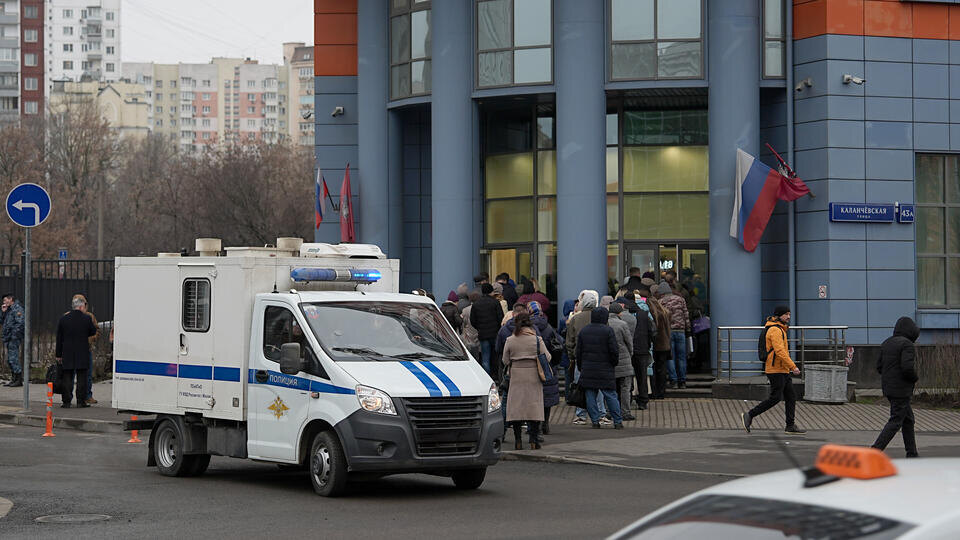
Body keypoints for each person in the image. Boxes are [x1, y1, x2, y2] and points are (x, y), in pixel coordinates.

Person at [741, 306, 806, 435]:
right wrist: (793, 366)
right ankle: (749, 414)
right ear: (778, 316)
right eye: (786, 314)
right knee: (775, 398)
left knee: (791, 396)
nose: (788, 317)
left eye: (789, 314)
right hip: (776, 369)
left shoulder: (780, 329)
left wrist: (788, 367)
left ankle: (790, 425)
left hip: (782, 369)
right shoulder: (775, 330)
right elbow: (780, 351)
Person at [872, 317, 920, 458]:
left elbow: (879, 366)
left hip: (889, 388)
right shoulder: (907, 345)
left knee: (908, 419)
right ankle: (874, 451)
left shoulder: (887, 343)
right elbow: (907, 368)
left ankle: (912, 453)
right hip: (901, 389)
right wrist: (914, 378)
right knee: (895, 421)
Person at [501, 312, 549, 450]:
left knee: (517, 410)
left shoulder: (511, 340)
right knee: (533, 409)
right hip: (534, 376)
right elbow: (547, 357)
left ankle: (518, 441)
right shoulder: (537, 340)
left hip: (516, 376)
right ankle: (534, 441)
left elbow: (505, 360)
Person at [576, 307, 623, 429]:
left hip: (588, 368)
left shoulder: (584, 331)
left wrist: (581, 366)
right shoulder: (608, 331)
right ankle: (617, 421)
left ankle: (595, 421)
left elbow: (578, 352)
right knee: (610, 394)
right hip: (605, 368)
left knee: (590, 395)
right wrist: (614, 363)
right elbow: (614, 350)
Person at [56, 295, 98, 408]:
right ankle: (80, 401)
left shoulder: (64, 318)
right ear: (80, 307)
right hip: (82, 351)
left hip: (67, 351)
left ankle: (66, 401)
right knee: (82, 377)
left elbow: (59, 338)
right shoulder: (86, 318)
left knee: (67, 376)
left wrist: (58, 354)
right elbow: (93, 331)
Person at [529, 301, 560, 436]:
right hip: (547, 365)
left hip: (531, 366)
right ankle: (545, 423)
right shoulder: (548, 327)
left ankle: (535, 425)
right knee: (547, 397)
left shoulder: (527, 327)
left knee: (533, 398)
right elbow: (558, 344)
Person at [657, 281, 690, 389]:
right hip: (680, 331)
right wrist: (688, 328)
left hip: (668, 332)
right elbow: (686, 315)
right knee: (681, 357)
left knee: (670, 357)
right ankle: (682, 381)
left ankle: (673, 380)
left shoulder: (660, 302)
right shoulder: (680, 300)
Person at [608, 303, 635, 421]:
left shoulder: (605, 324)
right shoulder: (623, 324)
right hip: (624, 360)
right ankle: (625, 412)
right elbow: (629, 342)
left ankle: (610, 411)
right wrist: (630, 354)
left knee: (611, 388)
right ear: (619, 313)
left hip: (610, 361)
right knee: (625, 388)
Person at [630, 289, 656, 410]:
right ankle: (643, 400)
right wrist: (649, 343)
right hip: (642, 348)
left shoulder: (625, 315)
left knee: (627, 376)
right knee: (642, 375)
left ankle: (628, 398)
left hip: (628, 349)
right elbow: (653, 330)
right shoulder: (644, 314)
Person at [470, 283, 504, 375]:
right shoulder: (495, 302)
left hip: (483, 334)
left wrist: (479, 327)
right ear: (491, 291)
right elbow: (501, 317)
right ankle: (496, 376)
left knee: (485, 358)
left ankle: (487, 377)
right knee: (496, 356)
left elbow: (472, 320)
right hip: (495, 333)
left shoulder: (476, 304)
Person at [647, 288, 672, 400]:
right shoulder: (665, 312)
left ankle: (654, 391)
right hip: (664, 344)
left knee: (653, 368)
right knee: (662, 368)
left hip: (655, 344)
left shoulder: (652, 314)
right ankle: (661, 391)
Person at [1, 293, 25, 387]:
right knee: (10, 359)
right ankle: (14, 378)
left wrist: (13, 336)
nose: (4, 302)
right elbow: (2, 322)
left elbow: (20, 323)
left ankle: (18, 379)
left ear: (11, 299)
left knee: (13, 358)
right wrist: (3, 312)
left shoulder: (17, 309)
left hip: (13, 338)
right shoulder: (8, 310)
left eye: (5, 300)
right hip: (8, 338)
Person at [80, 297, 101, 404]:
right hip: (73, 350)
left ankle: (88, 395)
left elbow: (97, 330)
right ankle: (68, 397)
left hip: (86, 349)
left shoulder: (90, 317)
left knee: (87, 374)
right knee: (72, 374)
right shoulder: (68, 315)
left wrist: (91, 339)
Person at [460, 291, 481, 361]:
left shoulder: (465, 310)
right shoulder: (480, 308)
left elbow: (464, 322)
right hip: (479, 332)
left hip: (469, 332)